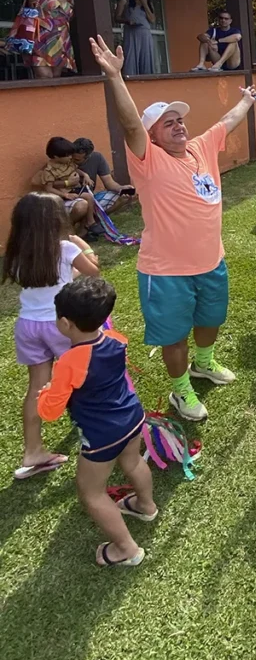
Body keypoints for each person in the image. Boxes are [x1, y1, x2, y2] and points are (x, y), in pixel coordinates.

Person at [90, 33, 256, 423]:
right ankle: (181, 389)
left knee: (211, 320)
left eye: (179, 120)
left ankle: (204, 363)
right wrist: (116, 76)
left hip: (211, 262)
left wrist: (247, 100)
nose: (178, 126)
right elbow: (130, 123)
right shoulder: (148, 160)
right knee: (174, 335)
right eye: (168, 124)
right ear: (151, 137)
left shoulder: (199, 147)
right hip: (166, 273)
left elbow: (226, 122)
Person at [37, 277, 157, 565]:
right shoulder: (117, 340)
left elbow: (50, 412)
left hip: (102, 435)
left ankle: (126, 549)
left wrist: (45, 394)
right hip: (131, 416)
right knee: (133, 462)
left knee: (91, 493)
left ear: (66, 323)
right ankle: (146, 505)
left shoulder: (68, 362)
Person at [4, 193, 100, 480]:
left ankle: (33, 451)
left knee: (36, 387)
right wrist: (79, 242)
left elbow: (51, 277)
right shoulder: (64, 248)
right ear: (57, 220)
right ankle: (97, 434)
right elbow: (93, 271)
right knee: (85, 377)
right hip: (61, 325)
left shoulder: (17, 251)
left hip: (28, 325)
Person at [8, 0, 75, 78]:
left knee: (56, 76)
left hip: (61, 40)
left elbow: (65, 18)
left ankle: (53, 98)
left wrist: (71, 4)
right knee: (44, 76)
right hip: (41, 39)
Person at [32, 136, 97, 236]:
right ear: (55, 157)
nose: (71, 157)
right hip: (62, 197)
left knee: (89, 197)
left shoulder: (67, 162)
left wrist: (85, 175)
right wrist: (65, 194)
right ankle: (76, 228)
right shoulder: (49, 170)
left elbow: (75, 170)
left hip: (73, 191)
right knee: (85, 202)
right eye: (67, 155)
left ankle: (90, 223)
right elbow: (48, 188)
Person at [71, 137, 136, 216]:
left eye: (77, 160)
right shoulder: (66, 159)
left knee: (117, 195)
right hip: (73, 198)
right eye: (72, 158)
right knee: (81, 206)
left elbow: (109, 182)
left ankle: (97, 216)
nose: (73, 161)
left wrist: (121, 188)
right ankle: (92, 216)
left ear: (88, 157)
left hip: (91, 198)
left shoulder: (97, 158)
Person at [114, 0, 156, 76]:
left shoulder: (148, 4)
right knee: (131, 58)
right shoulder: (125, 1)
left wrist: (144, 3)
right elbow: (117, 17)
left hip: (145, 35)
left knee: (146, 59)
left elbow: (152, 19)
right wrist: (127, 21)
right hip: (132, 33)